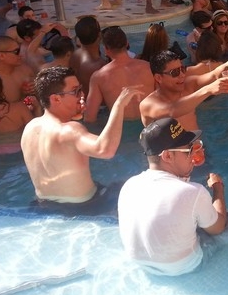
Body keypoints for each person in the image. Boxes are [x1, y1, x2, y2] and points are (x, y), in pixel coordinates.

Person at [117, 117, 228, 276]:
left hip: (142, 265)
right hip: (184, 266)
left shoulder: (129, 184)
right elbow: (218, 228)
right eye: (188, 150)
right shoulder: (193, 192)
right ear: (168, 156)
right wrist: (218, 188)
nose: (193, 155)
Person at [20, 66, 143, 205]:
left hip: (41, 205)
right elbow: (105, 150)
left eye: (80, 89)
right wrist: (119, 106)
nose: (82, 95)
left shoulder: (30, 127)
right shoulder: (70, 130)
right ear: (56, 99)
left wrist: (70, 115)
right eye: (75, 91)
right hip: (85, 207)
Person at [139, 50, 228, 130]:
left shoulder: (188, 85)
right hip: (172, 155)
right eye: (175, 72)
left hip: (197, 149)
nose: (182, 75)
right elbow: (172, 110)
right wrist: (208, 90)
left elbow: (213, 75)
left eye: (182, 69)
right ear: (158, 78)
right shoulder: (148, 104)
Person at [85, 26, 155, 122]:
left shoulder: (98, 77)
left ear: (106, 49)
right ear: (127, 43)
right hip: (150, 123)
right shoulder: (149, 67)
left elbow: (89, 117)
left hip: (121, 127)